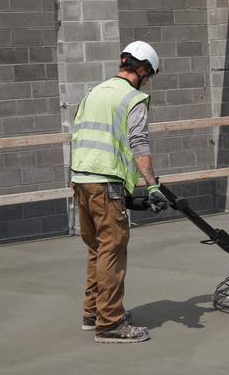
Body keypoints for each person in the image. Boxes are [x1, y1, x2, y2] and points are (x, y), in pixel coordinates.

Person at [69, 41, 168, 343]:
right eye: (148, 76)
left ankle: (93, 313)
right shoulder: (132, 98)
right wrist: (152, 186)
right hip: (105, 184)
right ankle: (110, 324)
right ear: (142, 70)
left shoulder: (93, 93)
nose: (146, 82)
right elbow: (138, 144)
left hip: (81, 181)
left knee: (97, 250)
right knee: (112, 250)